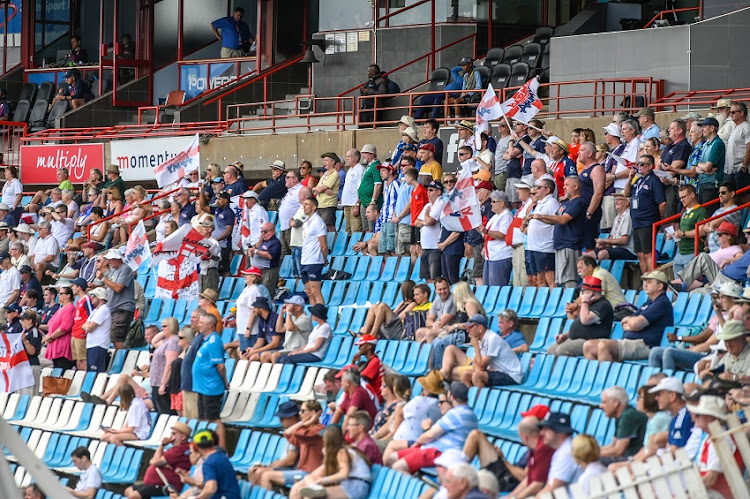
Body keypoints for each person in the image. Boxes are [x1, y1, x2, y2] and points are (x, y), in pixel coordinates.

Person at [388, 382, 478, 475]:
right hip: (433, 450)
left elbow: (430, 435)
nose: (439, 405)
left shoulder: (456, 414)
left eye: (441, 402)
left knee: (397, 466)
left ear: (451, 397)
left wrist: (418, 442)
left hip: (438, 452)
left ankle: (417, 486)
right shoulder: (472, 415)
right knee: (391, 458)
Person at [584, 270, 673, 362]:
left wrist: (632, 324)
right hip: (631, 342)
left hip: (645, 345)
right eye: (645, 282)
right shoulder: (649, 303)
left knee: (605, 346)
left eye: (649, 282)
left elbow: (636, 324)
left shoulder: (661, 303)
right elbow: (624, 323)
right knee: (588, 346)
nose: (645, 285)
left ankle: (606, 375)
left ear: (660, 286)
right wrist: (631, 322)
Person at [252, 400, 325, 490]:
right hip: (302, 471)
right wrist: (306, 422)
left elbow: (293, 433)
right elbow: (288, 433)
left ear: (313, 413)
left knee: (266, 476)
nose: (299, 414)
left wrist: (305, 422)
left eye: (303, 411)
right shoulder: (306, 430)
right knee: (257, 472)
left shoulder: (317, 430)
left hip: (310, 473)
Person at [439, 314, 523, 387]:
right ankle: (471, 400)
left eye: (471, 327)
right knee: (466, 375)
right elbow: (476, 365)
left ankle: (479, 401)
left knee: (477, 376)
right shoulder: (480, 338)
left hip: (511, 375)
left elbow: (480, 367)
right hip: (498, 371)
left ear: (480, 328)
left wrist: (476, 347)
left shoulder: (492, 339)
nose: (468, 331)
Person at [290, 425, 372, 499]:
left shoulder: (342, 452)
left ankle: (314, 488)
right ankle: (314, 487)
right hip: (350, 484)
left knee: (310, 497)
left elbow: (344, 474)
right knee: (299, 485)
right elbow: (314, 474)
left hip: (355, 486)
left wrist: (323, 480)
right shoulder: (339, 451)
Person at [684, 395, 738, 497]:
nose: (694, 418)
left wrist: (688, 494)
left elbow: (711, 479)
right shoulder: (709, 438)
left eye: (698, 414)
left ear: (711, 417)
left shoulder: (721, 438)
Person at [124, 422, 192, 499]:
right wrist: (160, 462)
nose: (171, 436)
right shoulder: (175, 448)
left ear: (183, 437)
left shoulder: (181, 449)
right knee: (128, 490)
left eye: (174, 434)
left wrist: (162, 445)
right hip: (153, 484)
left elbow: (155, 461)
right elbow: (153, 461)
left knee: (134, 496)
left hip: (167, 486)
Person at [549, 276, 614, 357]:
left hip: (591, 342)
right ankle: (556, 369)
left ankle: (570, 369)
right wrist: (565, 335)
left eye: (584, 291)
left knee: (562, 350)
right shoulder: (589, 304)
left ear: (591, 292)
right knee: (551, 350)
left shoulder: (602, 305)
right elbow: (579, 325)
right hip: (577, 339)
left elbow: (585, 320)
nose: (582, 294)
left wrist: (585, 302)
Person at [624, 154, 666, 274]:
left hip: (647, 221)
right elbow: (626, 194)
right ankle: (645, 280)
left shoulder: (654, 180)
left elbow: (662, 203)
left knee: (648, 252)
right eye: (638, 164)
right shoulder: (638, 180)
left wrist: (659, 218)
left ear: (650, 166)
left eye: (642, 164)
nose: (639, 166)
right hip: (636, 221)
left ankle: (653, 279)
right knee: (640, 253)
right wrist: (630, 178)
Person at [193, 313, 229, 447]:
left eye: (201, 322)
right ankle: (207, 446)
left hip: (211, 387)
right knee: (204, 418)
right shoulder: (207, 339)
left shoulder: (214, 341)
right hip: (203, 386)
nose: (198, 324)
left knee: (214, 419)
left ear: (209, 325)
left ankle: (222, 448)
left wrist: (224, 382)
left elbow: (220, 365)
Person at [359, 281, 430, 340]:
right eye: (414, 295)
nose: (415, 297)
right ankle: (366, 332)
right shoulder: (403, 302)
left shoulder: (413, 304)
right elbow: (393, 313)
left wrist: (384, 315)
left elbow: (400, 317)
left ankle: (372, 335)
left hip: (399, 328)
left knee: (383, 306)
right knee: (373, 306)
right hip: (392, 325)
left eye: (416, 295)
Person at [535, 413, 583, 496]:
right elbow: (549, 486)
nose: (542, 433)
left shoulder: (567, 453)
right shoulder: (562, 450)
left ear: (560, 432)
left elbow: (553, 491)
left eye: (546, 429)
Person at [97, 248, 135, 350]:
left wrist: (103, 279)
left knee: (116, 337)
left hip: (122, 308)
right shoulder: (114, 271)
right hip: (114, 308)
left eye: (111, 259)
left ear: (117, 259)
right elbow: (111, 286)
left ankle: (124, 360)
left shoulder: (125, 269)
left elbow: (118, 288)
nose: (109, 261)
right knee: (114, 337)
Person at [525, 178, 559, 288]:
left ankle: (553, 302)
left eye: (539, 187)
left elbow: (556, 221)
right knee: (539, 279)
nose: (536, 190)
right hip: (534, 246)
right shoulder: (539, 203)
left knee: (550, 278)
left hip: (545, 247)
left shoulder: (552, 203)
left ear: (547, 190)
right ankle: (543, 302)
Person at [598, 386, 647, 463]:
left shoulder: (628, 416)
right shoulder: (621, 415)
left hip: (635, 460)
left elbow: (619, 451)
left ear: (616, 403)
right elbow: (612, 445)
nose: (600, 406)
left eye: (604, 402)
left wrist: (591, 455)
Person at [190, 429, 241, 499]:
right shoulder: (222, 456)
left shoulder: (208, 463)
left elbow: (211, 488)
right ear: (212, 441)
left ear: (195, 447)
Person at [648, 377, 693, 453]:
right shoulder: (676, 417)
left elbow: (676, 451)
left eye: (659, 394)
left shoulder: (684, 416)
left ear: (672, 396)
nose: (656, 398)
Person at [481, 190, 513, 286]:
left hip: (500, 255)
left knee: (497, 286)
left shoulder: (506, 216)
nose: (491, 204)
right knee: (488, 285)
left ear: (502, 203)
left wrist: (485, 231)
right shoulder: (496, 216)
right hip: (491, 255)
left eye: (494, 201)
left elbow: (502, 235)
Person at [415, 180, 445, 282]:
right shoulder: (428, 205)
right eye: (427, 190)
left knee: (434, 278)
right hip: (426, 247)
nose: (428, 192)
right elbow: (416, 222)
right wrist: (425, 222)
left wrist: (426, 214)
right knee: (426, 277)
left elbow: (431, 221)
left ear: (439, 192)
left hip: (435, 247)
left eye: (431, 190)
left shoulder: (440, 203)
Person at [593, 192, 636, 261]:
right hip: (616, 248)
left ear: (627, 202)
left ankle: (602, 271)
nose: (616, 202)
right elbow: (612, 237)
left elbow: (624, 240)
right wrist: (603, 244)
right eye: (615, 199)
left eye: (619, 199)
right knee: (589, 255)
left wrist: (605, 241)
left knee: (602, 254)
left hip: (628, 250)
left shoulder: (628, 216)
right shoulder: (618, 217)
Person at [695, 117, 726, 209]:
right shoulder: (705, 144)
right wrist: (702, 168)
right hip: (702, 185)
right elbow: (697, 166)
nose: (702, 129)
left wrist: (702, 167)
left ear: (712, 128)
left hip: (712, 186)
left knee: (708, 215)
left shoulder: (717, 144)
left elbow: (707, 167)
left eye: (705, 126)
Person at [414, 277, 456, 344]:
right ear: (436, 290)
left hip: (450, 329)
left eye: (444, 288)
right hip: (438, 328)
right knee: (419, 332)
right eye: (440, 289)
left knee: (430, 333)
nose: (443, 291)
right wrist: (433, 324)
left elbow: (443, 321)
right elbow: (428, 320)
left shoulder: (453, 299)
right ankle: (421, 353)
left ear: (449, 287)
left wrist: (433, 326)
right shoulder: (436, 301)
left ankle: (431, 354)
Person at [42, 287, 75, 369]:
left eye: (61, 294)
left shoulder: (70, 308)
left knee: (62, 369)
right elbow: (51, 323)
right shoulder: (61, 308)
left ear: (68, 296)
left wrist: (51, 337)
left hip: (62, 345)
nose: (58, 296)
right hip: (55, 345)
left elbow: (65, 327)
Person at [81, 286, 111, 373]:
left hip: (98, 345)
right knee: (90, 373)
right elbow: (84, 325)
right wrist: (87, 326)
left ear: (100, 297)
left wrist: (87, 326)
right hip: (92, 345)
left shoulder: (103, 309)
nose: (91, 298)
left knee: (96, 373)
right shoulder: (95, 311)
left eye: (93, 296)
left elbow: (89, 327)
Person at [357, 144, 383, 232]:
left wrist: (373, 200)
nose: (363, 155)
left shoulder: (376, 166)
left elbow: (378, 184)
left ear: (371, 154)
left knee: (372, 229)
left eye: (365, 153)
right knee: (366, 229)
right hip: (365, 202)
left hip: (370, 203)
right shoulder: (368, 166)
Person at [277, 170, 302, 260]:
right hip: (284, 227)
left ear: (295, 179)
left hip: (293, 228)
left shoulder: (300, 190)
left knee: (294, 252)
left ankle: (296, 273)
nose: (285, 179)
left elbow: (304, 208)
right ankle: (285, 273)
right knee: (284, 254)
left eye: (288, 177)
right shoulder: (290, 191)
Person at [313, 152, 341, 231]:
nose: (324, 162)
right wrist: (320, 189)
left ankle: (336, 242)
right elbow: (315, 190)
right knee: (320, 227)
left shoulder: (334, 174)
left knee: (329, 226)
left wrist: (320, 189)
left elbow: (319, 189)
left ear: (332, 162)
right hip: (320, 204)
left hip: (328, 205)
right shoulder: (325, 174)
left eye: (326, 160)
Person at [342, 149, 365, 233]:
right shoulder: (350, 170)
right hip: (347, 203)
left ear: (356, 158)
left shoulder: (360, 169)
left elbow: (360, 189)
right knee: (348, 230)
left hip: (354, 204)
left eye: (349, 156)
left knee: (356, 230)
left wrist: (357, 205)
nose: (347, 158)